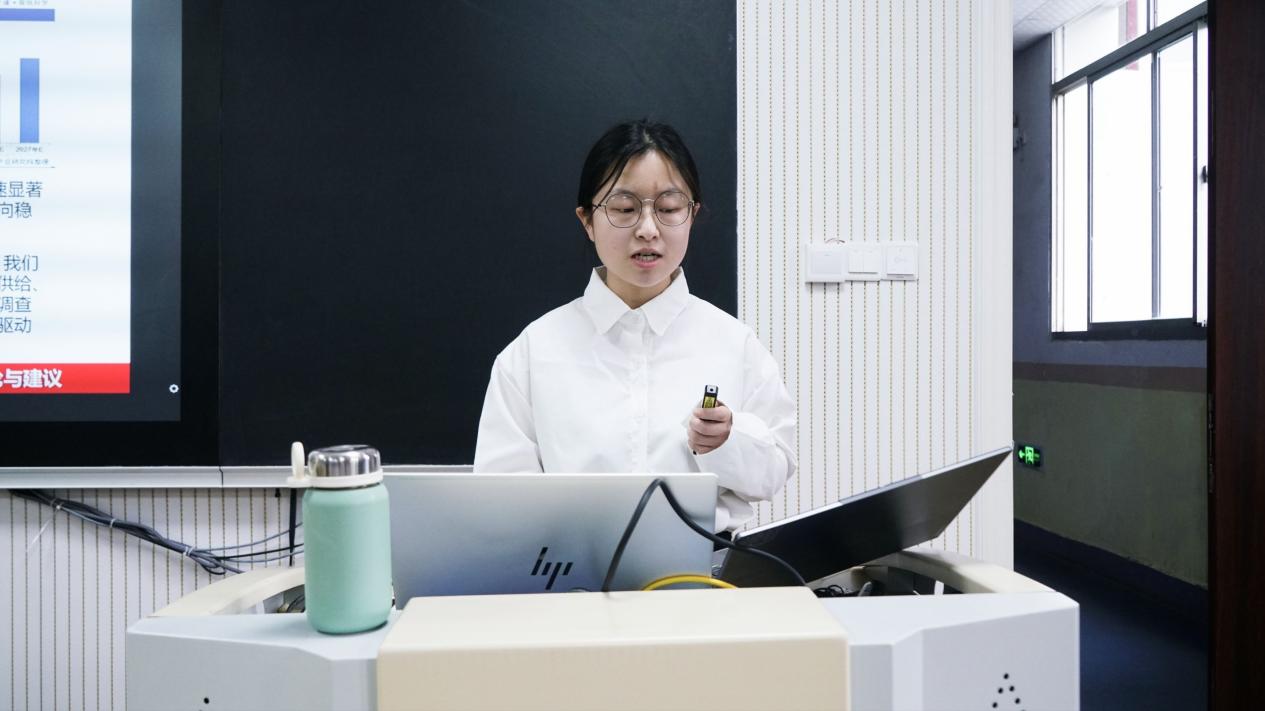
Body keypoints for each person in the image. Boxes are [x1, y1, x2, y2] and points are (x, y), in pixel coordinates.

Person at [473, 119, 796, 532]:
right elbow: (500, 497)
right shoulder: (533, 353)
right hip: (568, 568)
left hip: (705, 568)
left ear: (692, 215)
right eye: (624, 209)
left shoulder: (735, 345)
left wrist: (728, 442)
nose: (647, 230)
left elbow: (775, 472)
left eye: (669, 208)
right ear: (587, 220)